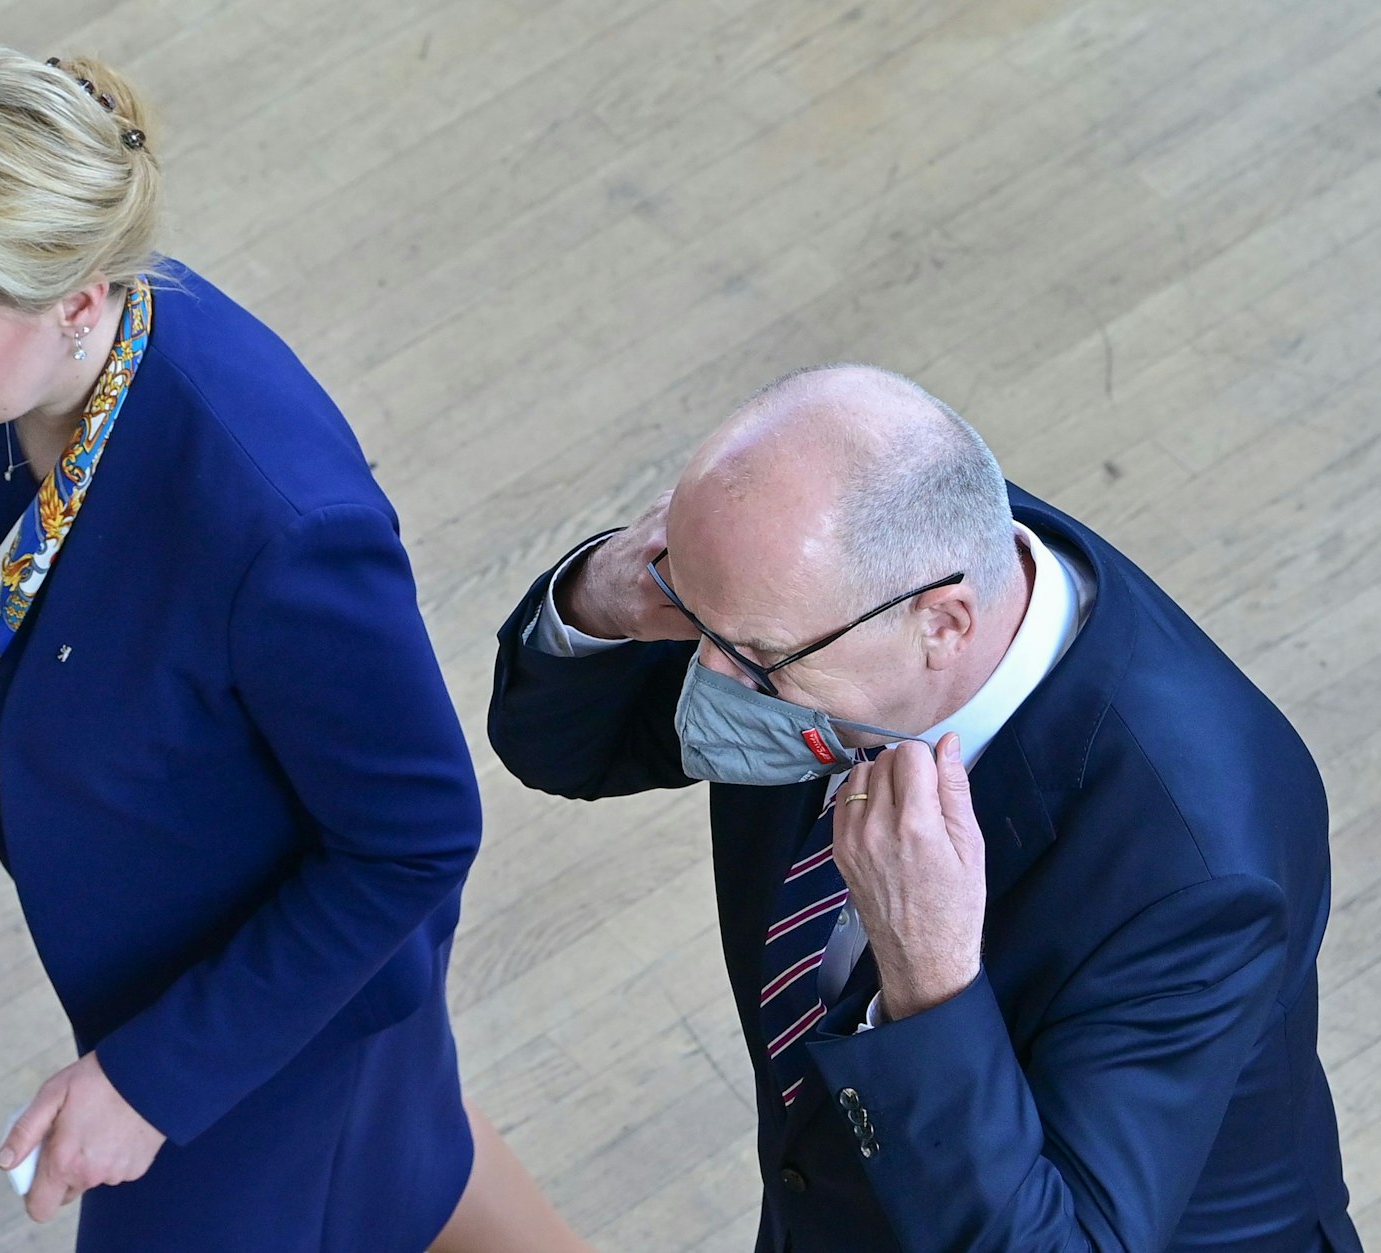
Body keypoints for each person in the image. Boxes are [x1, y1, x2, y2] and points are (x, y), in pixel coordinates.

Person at [0, 43, 589, 1253]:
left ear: (77, 302)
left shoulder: (277, 525)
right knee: (401, 1161)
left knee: (369, 1149)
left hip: (268, 1015)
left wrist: (150, 1080)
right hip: (178, 972)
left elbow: (414, 837)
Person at [487, 363, 1363, 1251]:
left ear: (944, 623)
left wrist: (931, 982)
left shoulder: (1201, 870)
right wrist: (609, 593)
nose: (711, 679)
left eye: (753, 659)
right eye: (695, 621)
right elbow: (560, 744)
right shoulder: (820, 575)